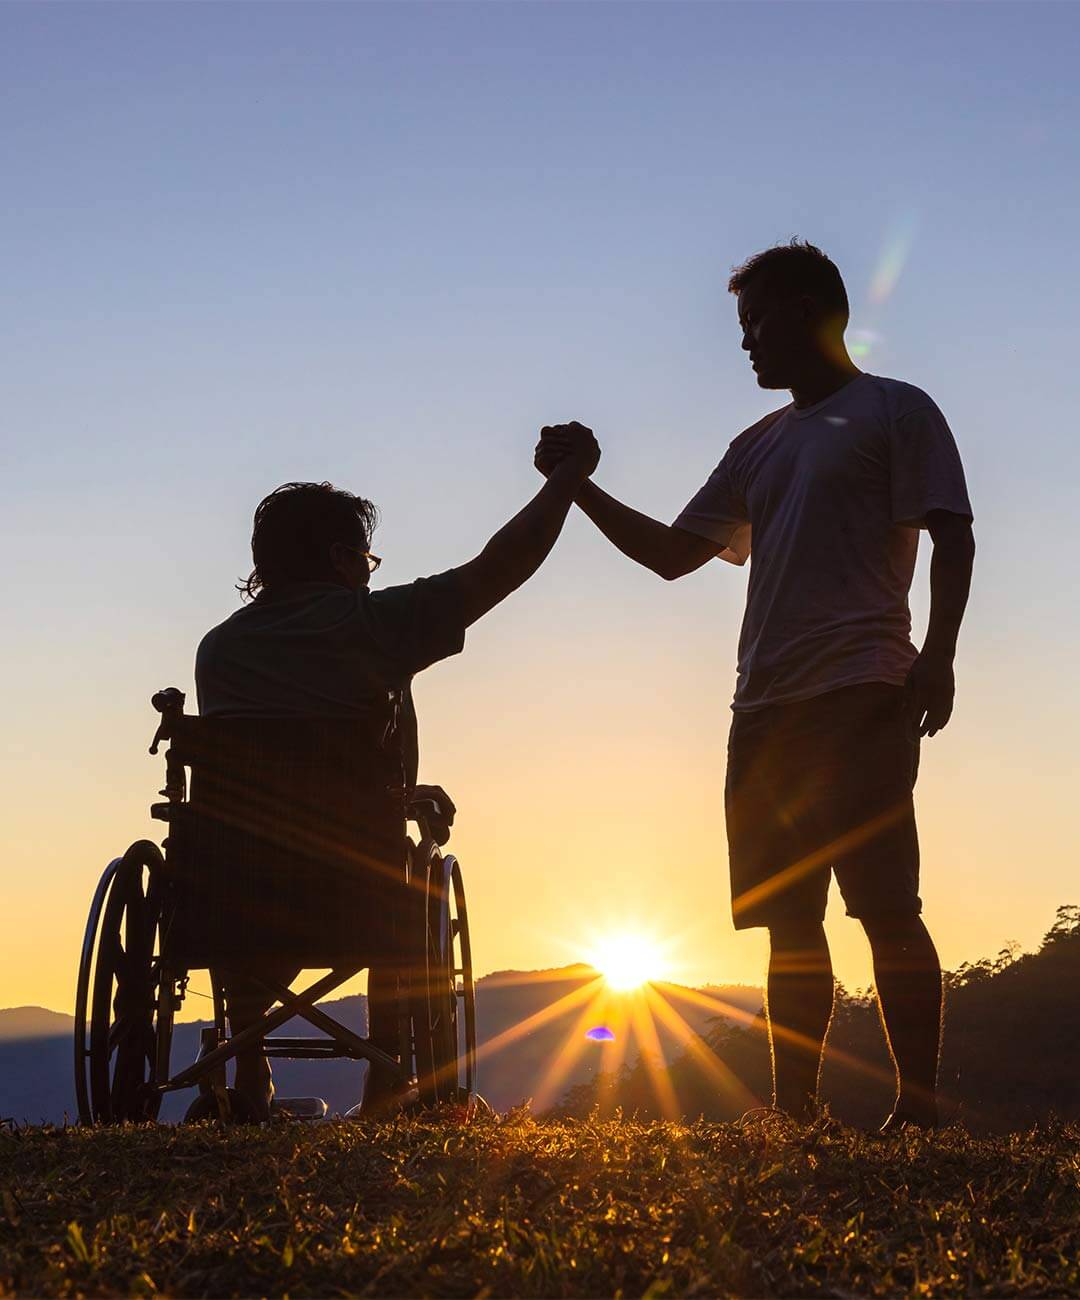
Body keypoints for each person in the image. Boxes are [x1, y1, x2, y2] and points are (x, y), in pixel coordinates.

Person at [536, 240, 974, 1131]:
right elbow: (669, 556)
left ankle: (918, 1110)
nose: (745, 344)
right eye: (742, 326)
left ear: (817, 310)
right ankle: (796, 1110)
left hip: (863, 690)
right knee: (789, 924)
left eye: (758, 321)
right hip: (763, 709)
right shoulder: (757, 446)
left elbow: (953, 534)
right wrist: (580, 488)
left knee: (887, 906)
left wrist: (939, 654)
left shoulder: (897, 410)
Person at [196, 423, 600, 1120]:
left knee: (249, 853)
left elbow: (282, 766)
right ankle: (387, 1090)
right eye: (368, 558)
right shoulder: (374, 624)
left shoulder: (219, 650)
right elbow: (500, 566)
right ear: (339, 558)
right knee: (399, 875)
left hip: (231, 884)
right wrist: (566, 482)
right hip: (351, 881)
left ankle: (247, 1062)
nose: (370, 571)